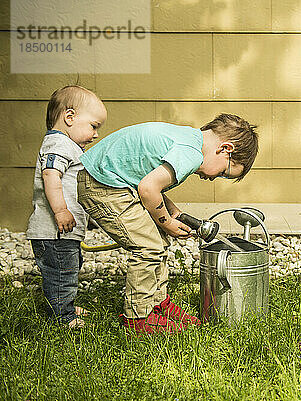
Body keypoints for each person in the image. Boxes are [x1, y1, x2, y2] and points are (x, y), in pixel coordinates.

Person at [76, 114, 259, 335]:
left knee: (158, 240)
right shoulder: (190, 154)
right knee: (147, 246)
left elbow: (151, 182)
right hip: (103, 186)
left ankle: (157, 302)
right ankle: (138, 319)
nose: (214, 178)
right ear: (224, 149)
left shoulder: (189, 139)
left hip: (114, 181)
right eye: (222, 172)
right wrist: (168, 223)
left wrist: (172, 212)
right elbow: (147, 189)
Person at [26, 85, 107, 328]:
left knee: (68, 269)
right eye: (94, 126)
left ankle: (64, 303)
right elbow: (51, 175)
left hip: (64, 232)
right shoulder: (58, 144)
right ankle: (62, 316)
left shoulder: (69, 146)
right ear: (69, 117)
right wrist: (61, 211)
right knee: (62, 273)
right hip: (53, 231)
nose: (95, 134)